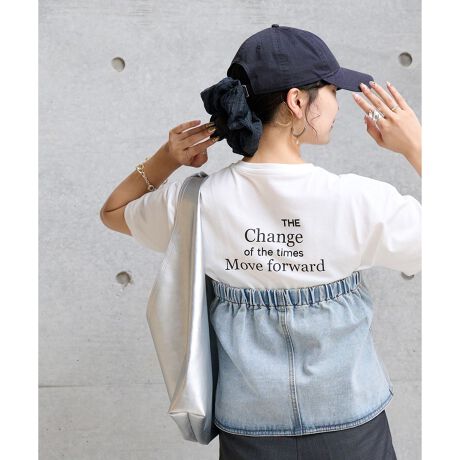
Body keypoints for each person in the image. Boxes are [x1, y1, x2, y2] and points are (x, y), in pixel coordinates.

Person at [100, 25, 421, 460]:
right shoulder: (358, 200)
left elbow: (114, 212)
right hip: (352, 424)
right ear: (297, 101)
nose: (337, 105)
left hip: (249, 430)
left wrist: (166, 159)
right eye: (332, 91)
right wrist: (417, 147)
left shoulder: (196, 202)